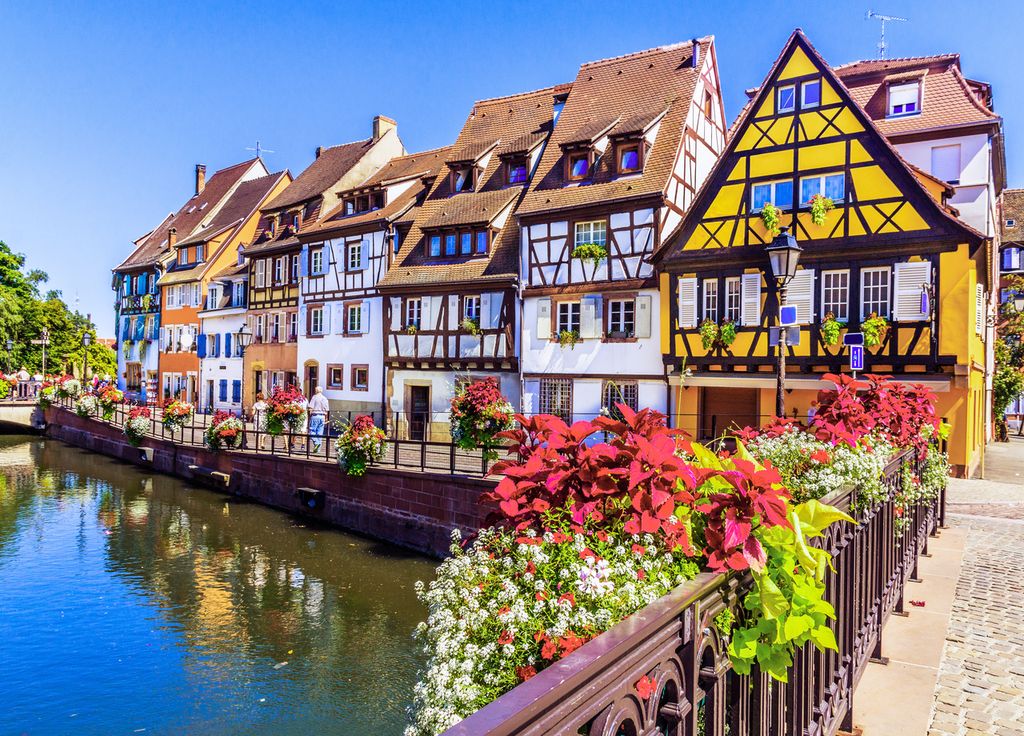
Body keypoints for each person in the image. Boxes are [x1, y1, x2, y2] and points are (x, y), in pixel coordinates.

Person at [307, 386, 330, 453]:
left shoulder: (314, 397)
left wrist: (309, 416)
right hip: (322, 416)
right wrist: (326, 418)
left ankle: (317, 443)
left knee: (311, 431)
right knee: (319, 433)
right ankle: (318, 450)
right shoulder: (325, 398)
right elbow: (327, 409)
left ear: (316, 391)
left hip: (315, 416)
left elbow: (311, 407)